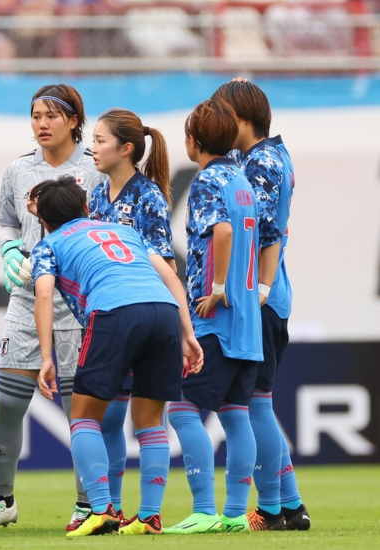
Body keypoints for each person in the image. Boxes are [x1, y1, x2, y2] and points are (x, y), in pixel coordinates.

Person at [28, 176, 202, 537]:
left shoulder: (49, 244)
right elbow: (172, 277)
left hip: (114, 313)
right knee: (151, 421)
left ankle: (102, 509)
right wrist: (188, 333)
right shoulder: (124, 232)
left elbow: (43, 294)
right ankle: (150, 516)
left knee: (83, 417)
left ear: (44, 220)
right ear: (87, 208)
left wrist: (47, 356)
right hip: (164, 312)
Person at [0, 83, 105, 533]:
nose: (42, 124)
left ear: (74, 121)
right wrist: (10, 250)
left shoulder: (95, 168)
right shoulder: (18, 169)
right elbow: (7, 221)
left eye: (51, 116)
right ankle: (3, 500)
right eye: (35, 116)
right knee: (7, 403)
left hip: (75, 304)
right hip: (26, 300)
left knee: (78, 411)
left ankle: (88, 505)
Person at [212, 79, 309, 531]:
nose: (214, 123)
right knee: (256, 403)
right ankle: (290, 505)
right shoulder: (263, 157)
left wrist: (262, 288)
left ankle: (272, 509)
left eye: (220, 113)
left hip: (260, 298)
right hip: (264, 295)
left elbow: (266, 233)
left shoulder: (263, 163)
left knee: (253, 404)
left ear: (241, 118)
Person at [165, 99, 262, 534]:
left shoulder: (207, 181)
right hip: (247, 322)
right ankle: (236, 512)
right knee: (235, 414)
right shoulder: (241, 179)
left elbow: (221, 231)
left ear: (193, 139)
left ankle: (204, 509)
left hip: (216, 319)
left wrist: (216, 289)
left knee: (182, 411)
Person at [86, 108, 175, 520]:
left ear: (126, 149)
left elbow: (164, 262)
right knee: (108, 418)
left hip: (145, 317)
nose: (93, 147)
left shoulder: (148, 195)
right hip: (108, 316)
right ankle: (114, 510)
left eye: (101, 140)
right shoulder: (97, 194)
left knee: (146, 419)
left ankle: (150, 514)